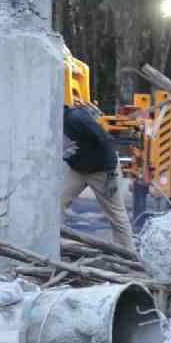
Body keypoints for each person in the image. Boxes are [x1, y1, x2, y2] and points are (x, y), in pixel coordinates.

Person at [62, 104, 136, 256]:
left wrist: (110, 174)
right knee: (54, 204)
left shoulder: (76, 118)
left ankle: (129, 256)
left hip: (102, 171)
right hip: (78, 170)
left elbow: (106, 140)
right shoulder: (53, 120)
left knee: (116, 214)